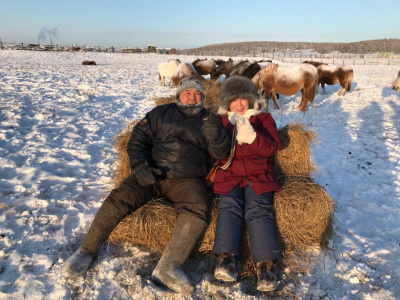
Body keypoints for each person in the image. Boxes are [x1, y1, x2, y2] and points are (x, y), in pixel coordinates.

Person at [62, 76, 231, 294]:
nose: (192, 98)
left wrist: (216, 137)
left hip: (188, 179)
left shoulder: (210, 119)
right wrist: (140, 166)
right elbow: (138, 139)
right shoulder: (160, 113)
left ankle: (169, 266)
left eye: (197, 94)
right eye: (187, 93)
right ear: (178, 95)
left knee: (198, 208)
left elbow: (221, 154)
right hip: (154, 171)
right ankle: (86, 250)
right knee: (121, 196)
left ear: (202, 97)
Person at [211, 75, 282, 292]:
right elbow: (215, 152)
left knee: (258, 210)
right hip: (230, 175)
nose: (239, 104)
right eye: (234, 100)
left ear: (251, 99)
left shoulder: (263, 119)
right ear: (226, 104)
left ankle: (265, 268)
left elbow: (272, 147)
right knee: (229, 207)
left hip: (258, 175)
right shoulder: (222, 122)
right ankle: (227, 260)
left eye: (243, 98)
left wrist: (253, 137)